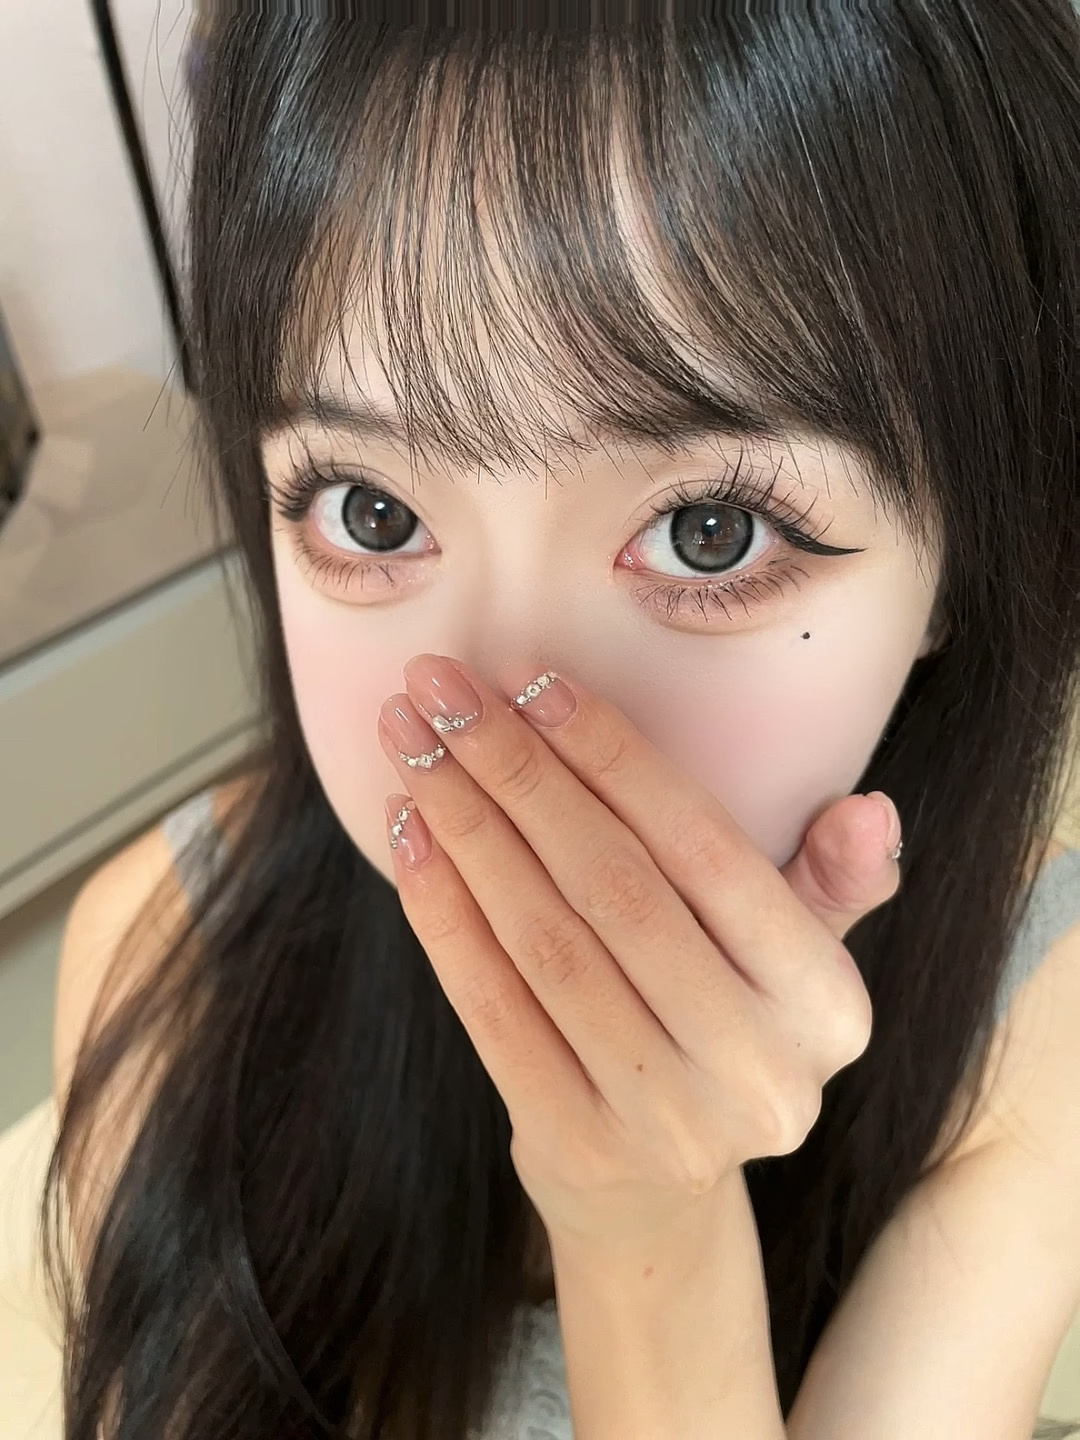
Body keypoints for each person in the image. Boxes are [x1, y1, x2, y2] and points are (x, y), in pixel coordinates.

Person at [44, 7, 1080, 1439]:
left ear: (960, 570)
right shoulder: (160, 957)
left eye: (711, 531)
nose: (505, 719)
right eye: (371, 510)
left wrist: (645, 1228)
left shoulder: (1036, 1014)